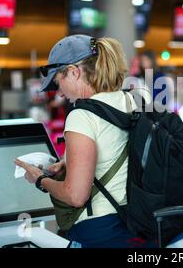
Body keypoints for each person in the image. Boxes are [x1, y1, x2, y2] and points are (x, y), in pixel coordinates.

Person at [15, 35, 150, 248]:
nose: (59, 92)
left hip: (99, 232)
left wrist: (40, 179)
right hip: (138, 227)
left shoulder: (81, 116)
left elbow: (76, 196)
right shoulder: (134, 100)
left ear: (74, 72)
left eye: (59, 82)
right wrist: (69, 162)